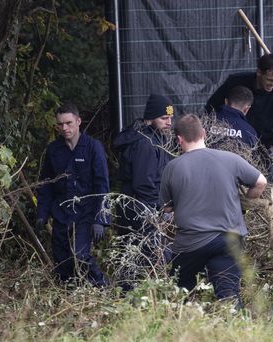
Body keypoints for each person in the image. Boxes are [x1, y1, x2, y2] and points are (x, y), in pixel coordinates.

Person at [160, 114, 267, 305]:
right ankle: (234, 320)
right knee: (229, 296)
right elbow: (261, 182)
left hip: (191, 243)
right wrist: (245, 203)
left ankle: (185, 315)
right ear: (203, 133)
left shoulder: (172, 167)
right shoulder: (231, 159)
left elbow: (167, 208)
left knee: (180, 293)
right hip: (229, 240)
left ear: (179, 140)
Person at [37, 103, 110, 286]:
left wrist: (100, 219)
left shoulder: (93, 147)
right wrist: (42, 213)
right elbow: (46, 183)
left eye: (68, 123)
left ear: (78, 121)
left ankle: (102, 286)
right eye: (60, 124)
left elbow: (102, 185)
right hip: (62, 211)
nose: (64, 128)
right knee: (62, 260)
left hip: (86, 212)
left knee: (80, 255)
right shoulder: (53, 150)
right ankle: (68, 292)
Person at [112, 93, 175, 284]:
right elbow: (144, 183)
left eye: (170, 118)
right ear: (151, 118)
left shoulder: (156, 138)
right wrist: (159, 211)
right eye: (164, 118)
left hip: (144, 207)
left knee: (140, 257)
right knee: (146, 257)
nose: (169, 123)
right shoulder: (144, 143)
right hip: (141, 210)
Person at [206, 53, 273, 157]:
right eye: (270, 80)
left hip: (263, 148)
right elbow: (211, 108)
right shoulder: (235, 82)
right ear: (259, 72)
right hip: (230, 142)